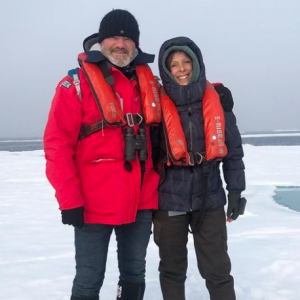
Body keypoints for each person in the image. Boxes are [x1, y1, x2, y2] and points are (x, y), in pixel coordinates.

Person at [44, 9, 161, 300]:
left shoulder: (150, 84)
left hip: (141, 202)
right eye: (114, 37)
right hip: (92, 205)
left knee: (134, 275)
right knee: (88, 279)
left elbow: (188, 91)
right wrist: (69, 200)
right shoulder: (75, 86)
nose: (120, 44)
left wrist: (218, 91)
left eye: (127, 38)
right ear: (101, 40)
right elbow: (57, 147)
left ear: (136, 44)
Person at [151, 36, 246, 300]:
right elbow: (147, 157)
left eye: (186, 62)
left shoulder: (219, 102)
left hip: (210, 196)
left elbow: (234, 153)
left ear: (196, 64)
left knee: (217, 270)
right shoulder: (156, 106)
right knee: (171, 269)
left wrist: (236, 191)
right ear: (166, 70)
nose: (181, 69)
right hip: (169, 198)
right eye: (174, 64)